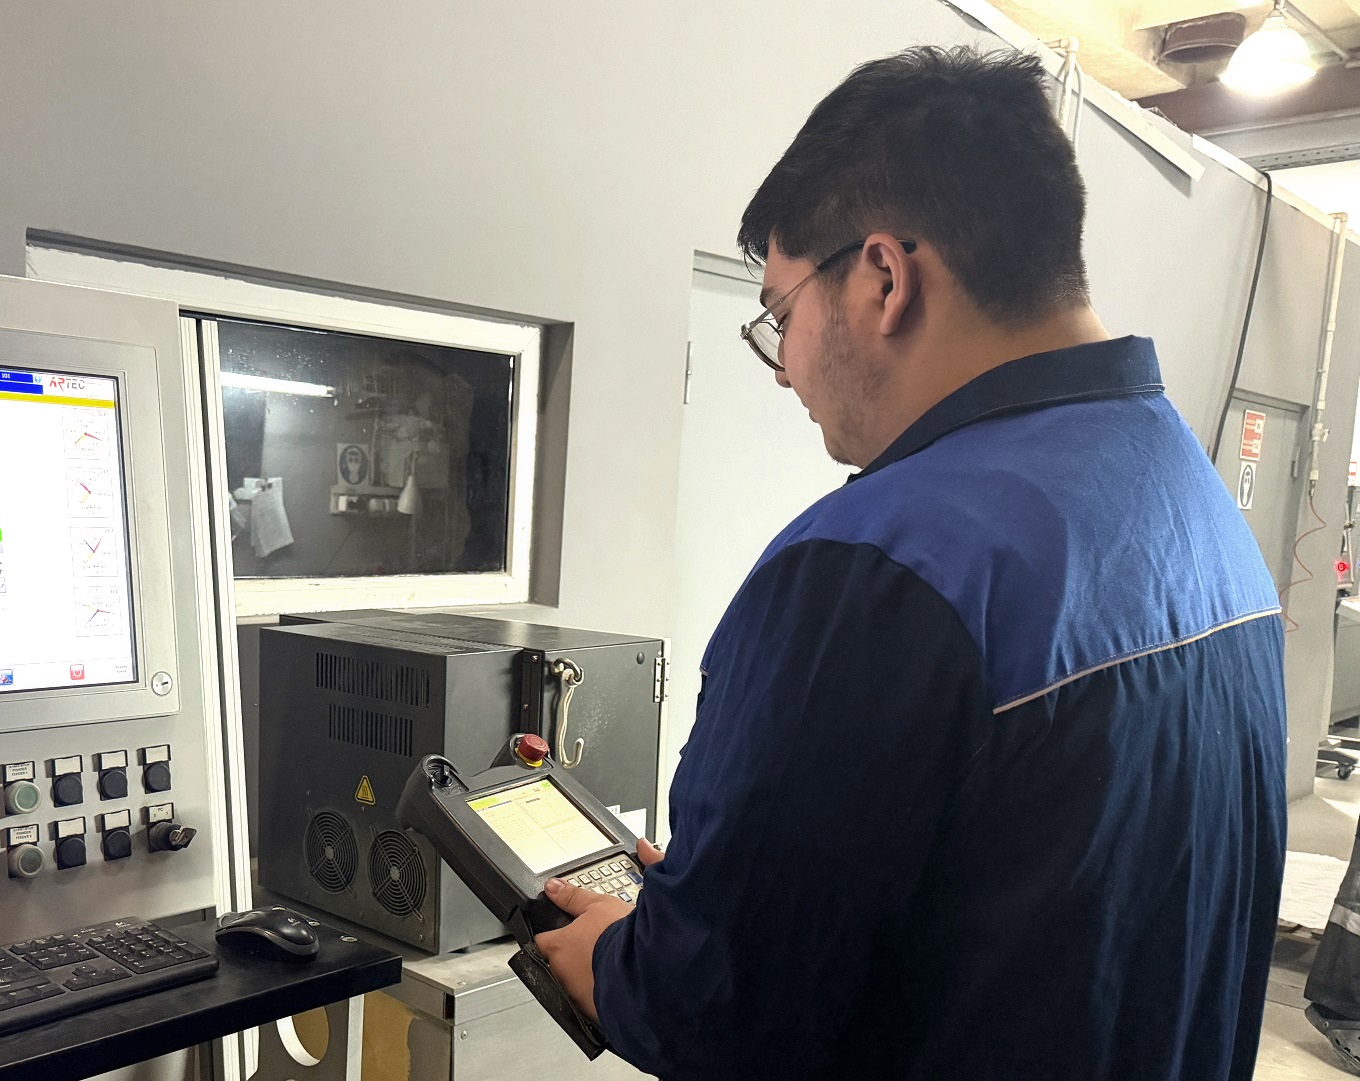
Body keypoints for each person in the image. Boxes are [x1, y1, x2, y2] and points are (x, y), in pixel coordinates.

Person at [531, 46, 1287, 1080]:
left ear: (884, 278)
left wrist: (625, 962)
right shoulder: (1199, 505)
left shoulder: (875, 570)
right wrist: (724, 896)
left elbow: (716, 1010)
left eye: (782, 316)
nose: (784, 367)